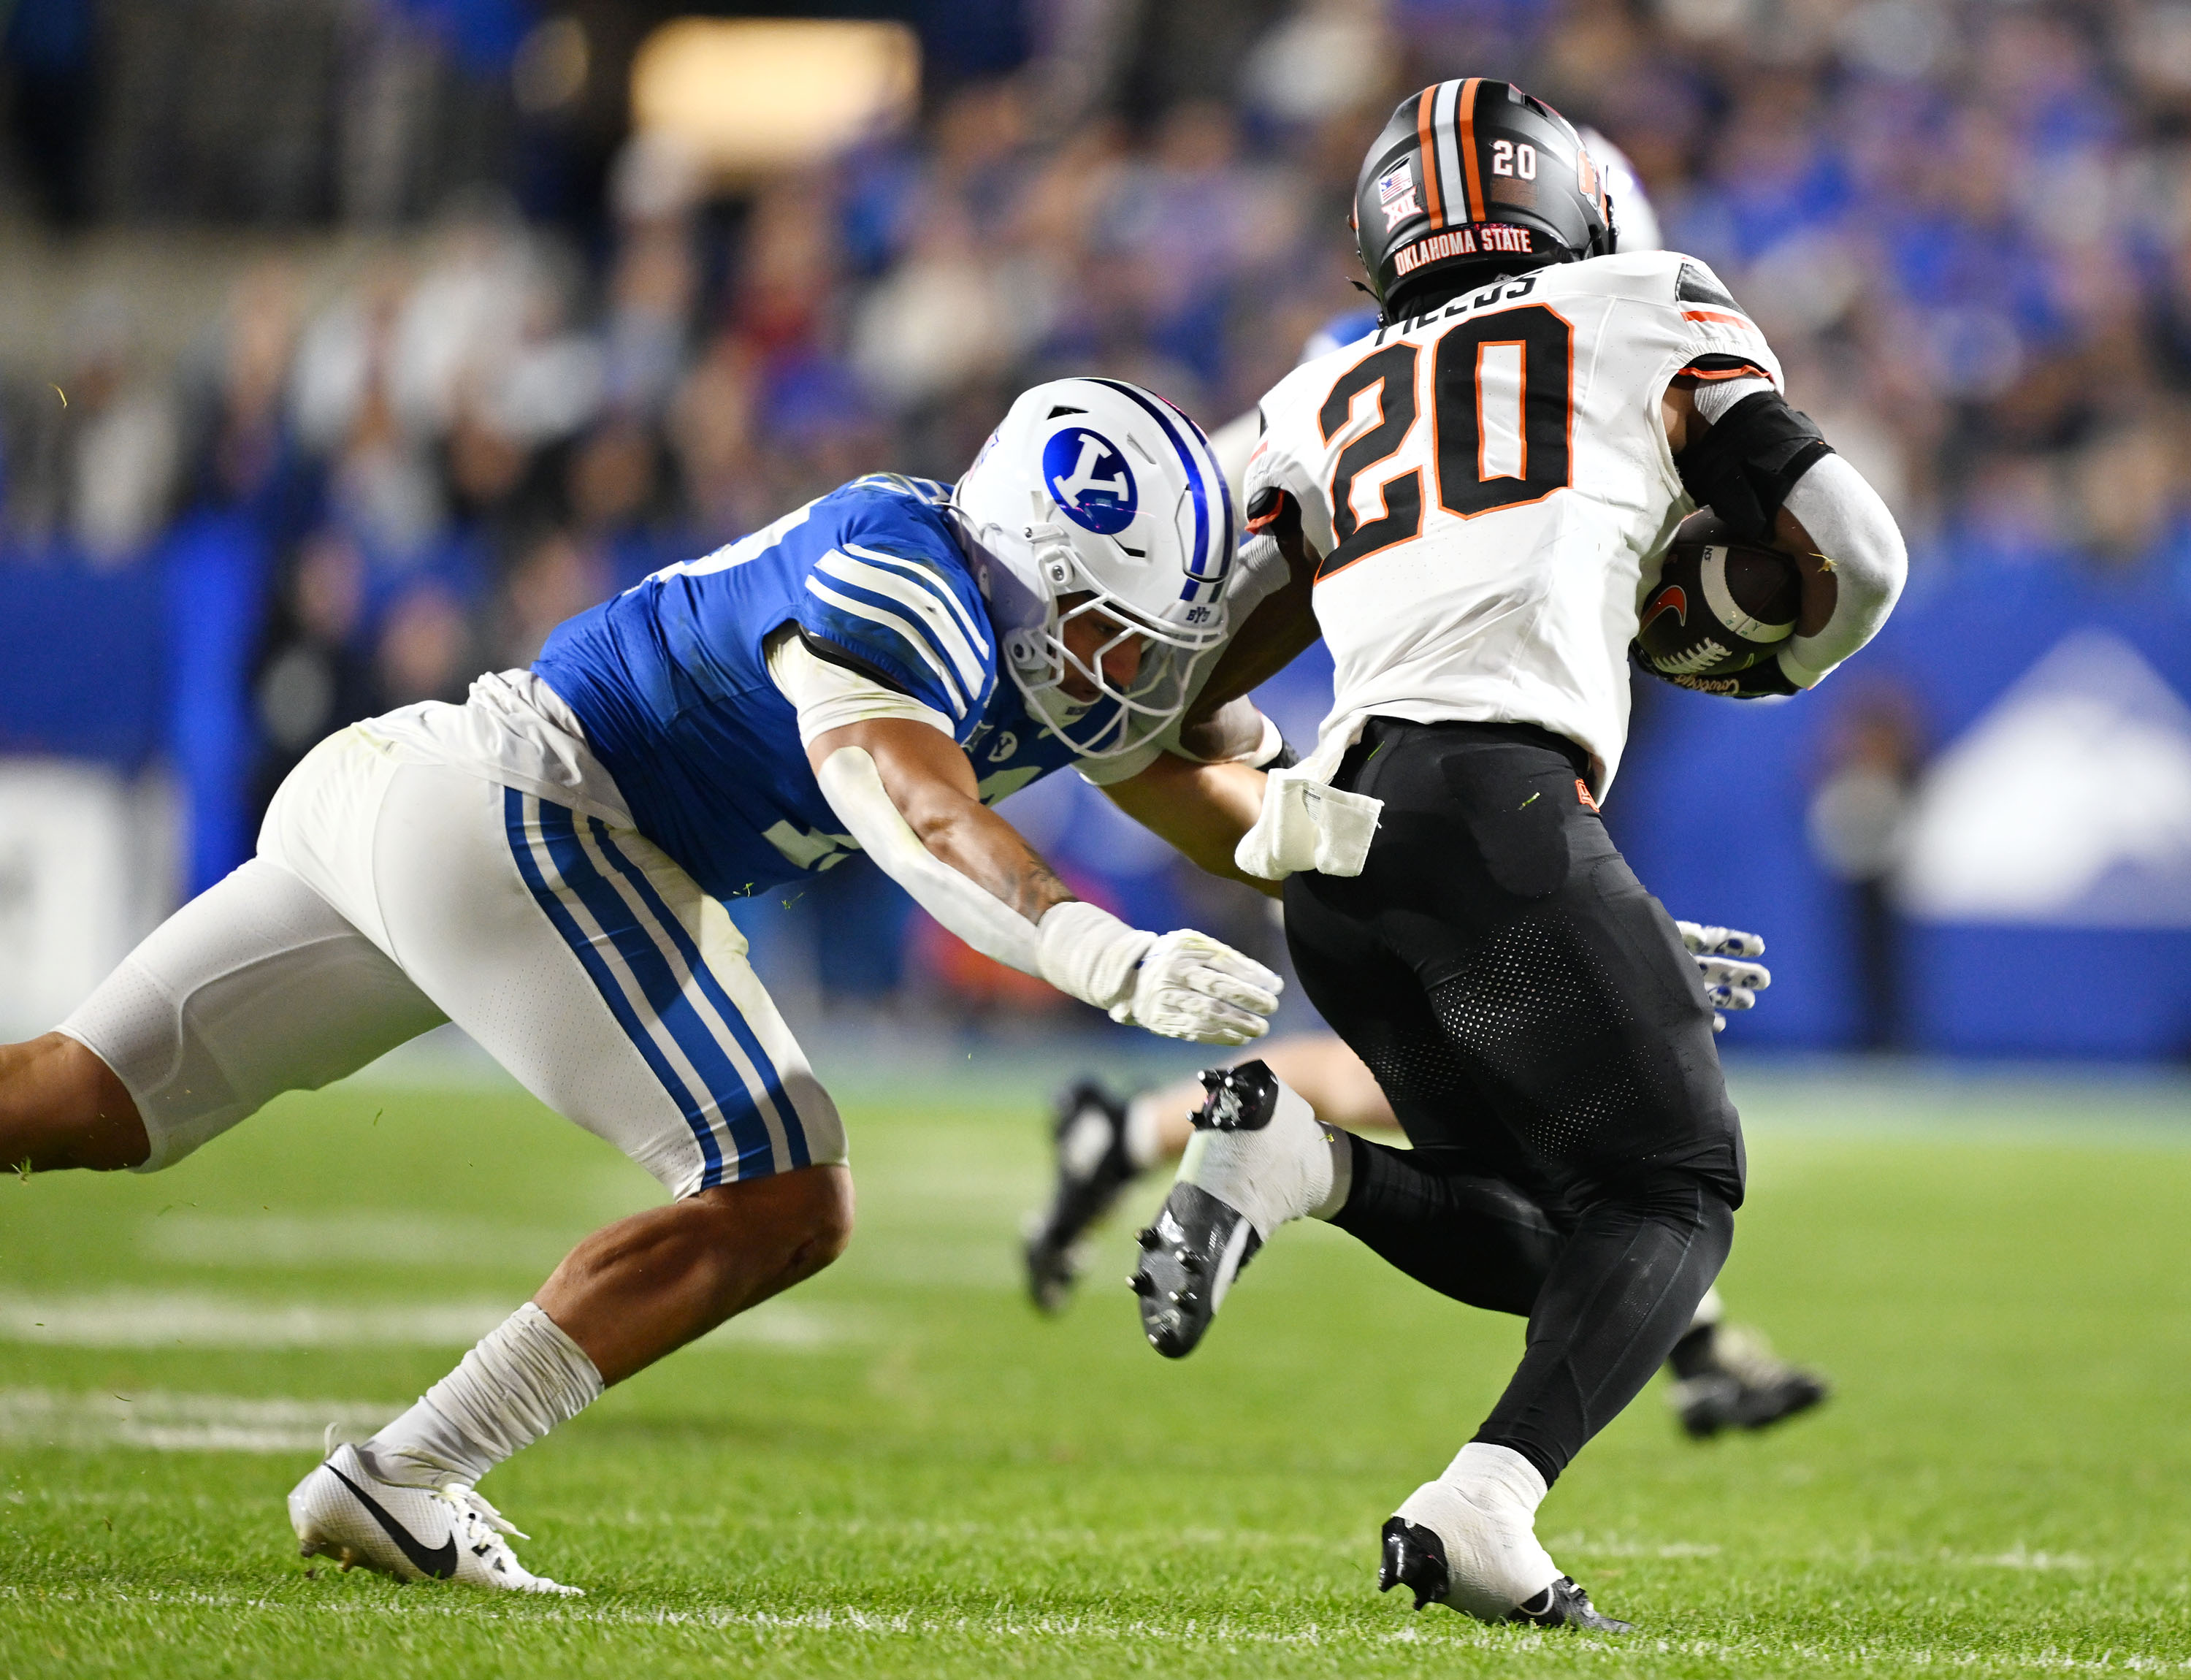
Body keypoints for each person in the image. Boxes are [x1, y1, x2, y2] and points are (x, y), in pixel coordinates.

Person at [0, 375, 1313, 1596]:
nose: (1126, 666)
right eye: (1103, 630)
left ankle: (401, 1481)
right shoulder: (898, 578)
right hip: (526, 807)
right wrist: (1102, 953)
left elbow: (1212, 794)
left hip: (423, 792)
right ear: (1029, 569)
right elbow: (913, 812)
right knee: (785, 1187)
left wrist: (1355, 836)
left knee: (85, 1095)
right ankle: (405, 1475)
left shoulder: (1045, 639)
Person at [1122, 80, 1908, 1633]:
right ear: (1578, 204)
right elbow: (1862, 556)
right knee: (1678, 1191)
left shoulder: (1322, 390)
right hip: (1502, 808)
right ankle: (1485, 1503)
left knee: (1551, 1230)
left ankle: (1307, 1160)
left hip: (1342, 857)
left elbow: (1169, 691)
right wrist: (1768, 654)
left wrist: (1288, 798)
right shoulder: (1644, 300)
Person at [1022, 1016, 1833, 1443]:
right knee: (1490, 1089)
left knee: (1448, 1085)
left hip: (1432, 804)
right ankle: (1699, 1350)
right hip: (1417, 805)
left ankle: (1119, 1134)